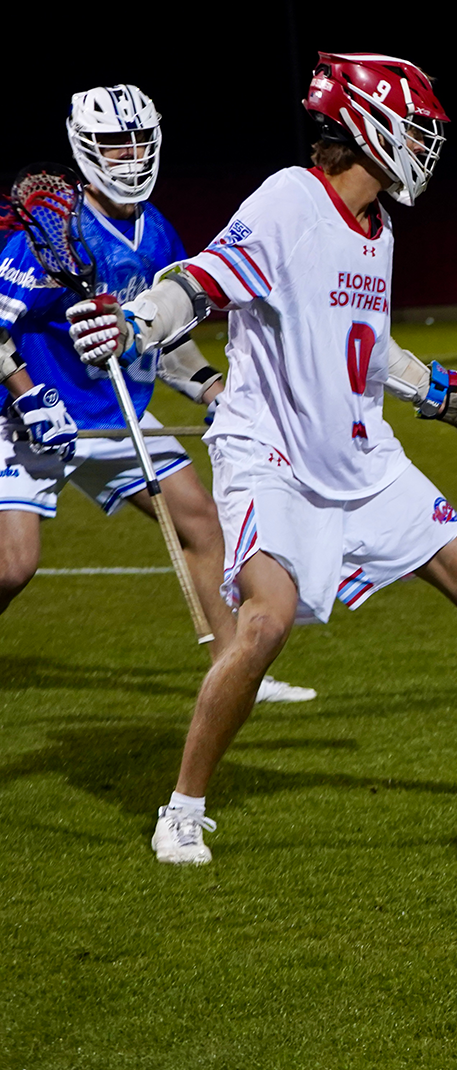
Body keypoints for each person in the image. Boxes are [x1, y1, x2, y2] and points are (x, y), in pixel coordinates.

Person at [66, 53, 457, 867]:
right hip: (273, 454)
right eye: (415, 128)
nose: (425, 145)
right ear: (365, 127)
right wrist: (139, 323)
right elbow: (204, 280)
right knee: (265, 623)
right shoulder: (292, 197)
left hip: (359, 453)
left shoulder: (377, 226)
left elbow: (367, 343)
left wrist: (439, 394)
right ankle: (182, 809)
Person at [1, 86, 315, 703]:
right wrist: (30, 398)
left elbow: (164, 335)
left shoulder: (158, 231)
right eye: (115, 144)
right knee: (13, 567)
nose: (130, 155)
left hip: (115, 418)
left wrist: (212, 390)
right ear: (85, 148)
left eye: (140, 141)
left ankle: (235, 673)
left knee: (201, 520)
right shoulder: (48, 232)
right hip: (30, 422)